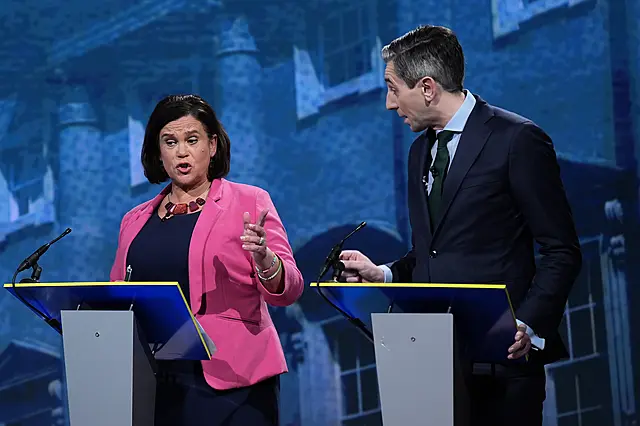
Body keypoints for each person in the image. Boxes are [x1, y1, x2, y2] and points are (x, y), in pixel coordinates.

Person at [339, 25, 582, 425]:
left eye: (393, 88)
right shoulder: (421, 151)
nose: (388, 103)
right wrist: (382, 274)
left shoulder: (517, 140)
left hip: (502, 366)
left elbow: (561, 249)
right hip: (433, 367)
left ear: (428, 87)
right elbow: (432, 250)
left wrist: (528, 322)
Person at [109, 94, 304, 426]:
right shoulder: (133, 220)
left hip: (235, 381)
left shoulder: (250, 200)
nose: (182, 151)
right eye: (170, 142)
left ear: (212, 145)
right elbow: (115, 296)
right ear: (158, 151)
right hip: (156, 383)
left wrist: (265, 259)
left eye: (192, 140)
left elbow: (290, 290)